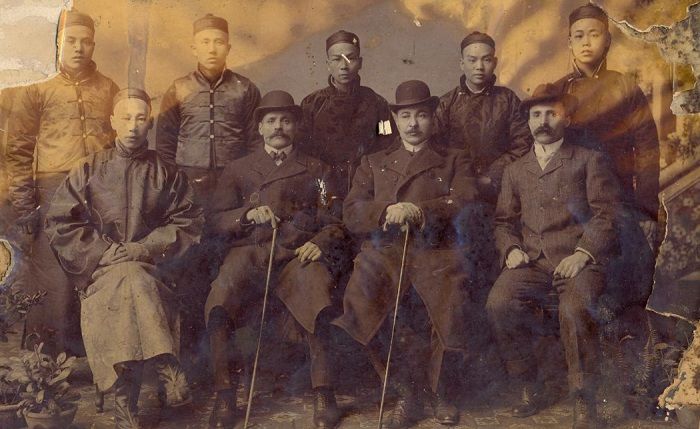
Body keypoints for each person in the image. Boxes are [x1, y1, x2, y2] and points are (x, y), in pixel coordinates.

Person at [44, 88, 203, 429]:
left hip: (153, 268)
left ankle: (124, 404)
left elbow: (188, 221)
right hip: (100, 270)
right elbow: (60, 222)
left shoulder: (167, 172)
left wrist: (144, 248)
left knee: (133, 276)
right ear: (112, 121)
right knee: (127, 279)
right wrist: (103, 251)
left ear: (150, 124)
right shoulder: (88, 169)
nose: (133, 126)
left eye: (141, 118)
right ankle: (166, 364)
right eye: (126, 118)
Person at [333, 80, 479, 428]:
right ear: (395, 120)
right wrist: (385, 211)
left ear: (433, 118)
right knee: (360, 299)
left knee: (451, 299)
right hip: (385, 250)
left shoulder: (454, 158)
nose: (413, 124)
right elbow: (351, 211)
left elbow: (467, 201)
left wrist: (420, 211)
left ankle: (440, 391)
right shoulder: (373, 161)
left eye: (421, 115)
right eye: (406, 116)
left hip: (437, 249)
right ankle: (405, 390)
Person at [204, 91, 346, 429]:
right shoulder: (238, 169)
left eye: (285, 121)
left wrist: (320, 242)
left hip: (297, 254)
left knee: (317, 293)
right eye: (271, 121)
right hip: (249, 253)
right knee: (219, 299)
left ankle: (324, 392)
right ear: (260, 128)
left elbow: (336, 220)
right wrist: (246, 214)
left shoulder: (318, 169)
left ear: (296, 126)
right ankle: (225, 395)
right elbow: (215, 220)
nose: (278, 127)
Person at [486, 83, 621, 429]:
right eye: (536, 115)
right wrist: (511, 248)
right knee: (499, 303)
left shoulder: (588, 160)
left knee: (574, 308)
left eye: (551, 113)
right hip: (532, 261)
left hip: (579, 261)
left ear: (567, 118)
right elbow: (503, 222)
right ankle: (528, 384)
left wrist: (583, 253)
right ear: (528, 121)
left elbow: (607, 214)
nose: (543, 121)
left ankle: (583, 397)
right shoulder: (516, 170)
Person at [6, 9, 119, 356]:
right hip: (52, 192)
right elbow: (18, 150)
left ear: (94, 45)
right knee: (52, 279)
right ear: (57, 43)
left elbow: (118, 147)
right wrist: (25, 205)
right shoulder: (37, 89)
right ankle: (46, 361)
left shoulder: (108, 88)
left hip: (98, 193)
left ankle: (91, 357)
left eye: (86, 42)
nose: (78, 48)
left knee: (93, 270)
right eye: (71, 41)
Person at [155, 13, 262, 383]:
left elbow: (255, 144)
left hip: (232, 194)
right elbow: (165, 146)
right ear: (193, 47)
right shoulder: (178, 88)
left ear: (229, 47)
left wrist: (248, 190)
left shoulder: (245, 89)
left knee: (230, 271)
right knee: (191, 272)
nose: (212, 48)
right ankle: (194, 363)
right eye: (205, 42)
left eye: (219, 42)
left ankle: (232, 360)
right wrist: (175, 190)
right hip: (190, 194)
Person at [554, 4, 660, 314]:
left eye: (594, 34)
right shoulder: (557, 91)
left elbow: (647, 149)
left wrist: (646, 209)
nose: (586, 42)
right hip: (570, 202)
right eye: (578, 36)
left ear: (608, 40)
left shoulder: (624, 86)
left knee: (631, 274)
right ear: (569, 42)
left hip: (619, 198)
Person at [436, 31, 531, 203]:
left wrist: (493, 175)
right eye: (472, 60)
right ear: (462, 63)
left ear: (495, 63)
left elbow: (522, 143)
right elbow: (436, 148)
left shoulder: (508, 99)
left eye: (486, 60)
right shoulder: (446, 103)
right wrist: (460, 178)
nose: (479, 66)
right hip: (456, 187)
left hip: (500, 186)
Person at [299, 30, 393, 204]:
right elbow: (302, 152)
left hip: (366, 187)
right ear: (328, 64)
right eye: (336, 59)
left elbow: (387, 145)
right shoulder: (311, 104)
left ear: (360, 62)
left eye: (350, 58)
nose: (344, 66)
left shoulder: (377, 104)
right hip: (322, 189)